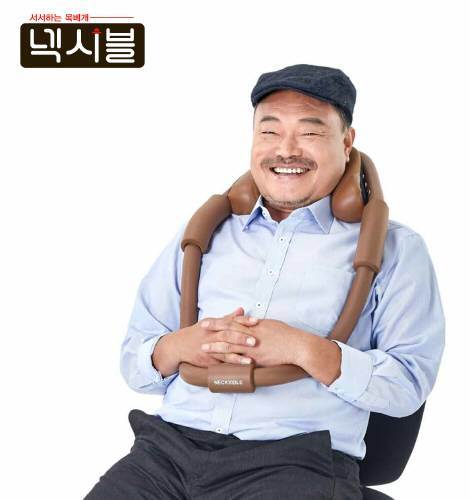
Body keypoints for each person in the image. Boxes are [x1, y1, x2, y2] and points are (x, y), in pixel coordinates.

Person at [85, 64, 445, 499]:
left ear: (346, 142)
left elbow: (408, 385)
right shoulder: (202, 236)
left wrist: (302, 349)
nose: (286, 150)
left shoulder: (396, 249)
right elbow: (134, 361)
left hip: (295, 461)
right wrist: (180, 347)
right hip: (167, 453)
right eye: (269, 132)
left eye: (309, 132)